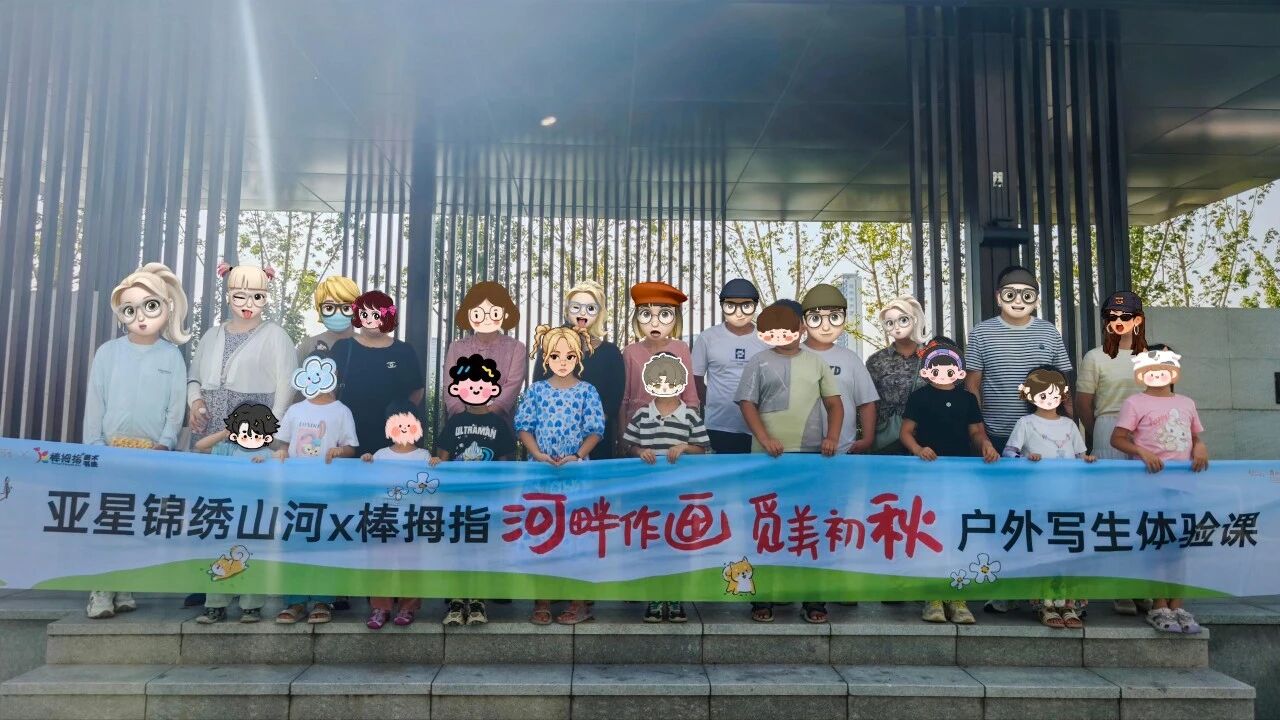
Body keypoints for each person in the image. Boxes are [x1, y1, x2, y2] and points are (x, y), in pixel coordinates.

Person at [83, 262, 191, 619]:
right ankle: (100, 592)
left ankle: (125, 585)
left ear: (166, 308)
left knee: (136, 519)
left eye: (150, 306)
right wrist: (95, 446)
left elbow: (175, 408)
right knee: (106, 519)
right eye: (130, 309)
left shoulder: (171, 356)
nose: (141, 317)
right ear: (121, 314)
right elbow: (95, 403)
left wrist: (165, 443)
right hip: (111, 450)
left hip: (150, 453)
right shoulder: (108, 353)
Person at [735, 302, 843, 624]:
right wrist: (765, 438)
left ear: (801, 328)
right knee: (766, 526)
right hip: (765, 459)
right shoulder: (758, 361)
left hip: (810, 458)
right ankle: (763, 597)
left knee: (808, 527)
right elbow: (747, 404)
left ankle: (814, 599)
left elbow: (835, 405)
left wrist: (832, 438)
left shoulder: (817, 362)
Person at [900, 336, 998, 625]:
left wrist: (986, 445)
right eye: (937, 367)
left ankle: (958, 597)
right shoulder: (919, 397)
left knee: (957, 533)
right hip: (927, 476)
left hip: (961, 477)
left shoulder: (967, 399)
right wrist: (918, 449)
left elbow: (976, 432)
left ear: (960, 370)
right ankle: (932, 597)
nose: (943, 372)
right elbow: (906, 432)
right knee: (930, 532)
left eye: (950, 367)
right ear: (926, 370)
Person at [1111, 346, 1208, 634]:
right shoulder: (1134, 402)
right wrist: (1141, 452)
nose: (1157, 374)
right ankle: (1158, 604)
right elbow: (1118, 438)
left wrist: (1200, 447)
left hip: (1184, 485)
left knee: (1179, 545)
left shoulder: (1187, 403)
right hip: (1150, 484)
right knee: (1155, 542)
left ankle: (1177, 605)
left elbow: (1195, 437)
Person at [515, 325, 606, 626]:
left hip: (575, 475)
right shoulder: (536, 391)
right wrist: (537, 453)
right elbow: (523, 426)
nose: (563, 361)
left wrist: (577, 455)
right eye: (555, 355)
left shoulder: (587, 391)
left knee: (576, 536)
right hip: (541, 475)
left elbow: (596, 430)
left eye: (569, 355)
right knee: (540, 533)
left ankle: (579, 602)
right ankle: (542, 600)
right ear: (546, 357)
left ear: (578, 357)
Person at [1003, 368, 1095, 629]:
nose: (1049, 399)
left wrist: (1087, 460)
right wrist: (1025, 458)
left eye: (1054, 394)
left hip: (1068, 498)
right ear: (1029, 395)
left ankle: (1069, 604)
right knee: (1043, 548)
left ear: (1063, 395)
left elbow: (1079, 455)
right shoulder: (1026, 423)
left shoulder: (1069, 425)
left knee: (1067, 548)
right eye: (1042, 394)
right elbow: (1008, 453)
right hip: (1038, 498)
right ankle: (1045, 604)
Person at [622, 353, 709, 623]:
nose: (664, 385)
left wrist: (685, 447)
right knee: (652, 544)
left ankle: (676, 598)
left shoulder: (690, 416)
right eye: (657, 380)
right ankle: (654, 598)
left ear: (681, 382)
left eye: (670, 380)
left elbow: (702, 449)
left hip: (680, 496)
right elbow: (629, 445)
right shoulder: (641, 415)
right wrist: (640, 451)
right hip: (650, 495)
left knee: (679, 544)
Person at [274, 352, 359, 625]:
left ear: (333, 377)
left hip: (328, 491)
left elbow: (351, 447)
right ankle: (295, 601)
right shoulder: (295, 410)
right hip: (296, 490)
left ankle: (323, 599)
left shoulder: (341, 411)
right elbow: (282, 443)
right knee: (294, 541)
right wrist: (281, 452)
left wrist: (340, 451)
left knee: (325, 541)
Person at [432, 354, 518, 626]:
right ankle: (457, 601)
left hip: (487, 501)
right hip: (457, 500)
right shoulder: (455, 421)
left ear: (492, 388)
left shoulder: (498, 423)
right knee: (457, 549)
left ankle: (479, 601)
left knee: (484, 550)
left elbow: (506, 462)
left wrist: (502, 495)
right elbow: (443, 457)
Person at [963, 266, 1073, 454]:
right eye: (1010, 294)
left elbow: (1064, 385)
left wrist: (1068, 427)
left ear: (1036, 300)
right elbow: (972, 387)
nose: (1018, 300)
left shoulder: (1049, 332)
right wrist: (980, 435)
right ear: (999, 297)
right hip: (996, 434)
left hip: (1044, 433)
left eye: (1027, 295)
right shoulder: (981, 333)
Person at [188, 262, 298, 438]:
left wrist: (271, 428)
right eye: (240, 296)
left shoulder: (277, 336)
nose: (248, 303)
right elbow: (194, 378)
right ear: (228, 297)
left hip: (251, 436)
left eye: (257, 296)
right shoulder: (211, 335)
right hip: (206, 432)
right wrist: (195, 401)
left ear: (265, 299)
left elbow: (287, 385)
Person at [191, 403, 278, 623]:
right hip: (227, 515)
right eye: (243, 429)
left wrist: (271, 460)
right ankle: (215, 606)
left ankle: (251, 607)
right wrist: (224, 433)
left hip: (257, 518)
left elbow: (285, 462)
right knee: (221, 557)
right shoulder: (227, 450)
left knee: (254, 559)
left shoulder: (270, 454)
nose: (249, 435)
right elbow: (200, 446)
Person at [532, 280, 625, 458]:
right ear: (567, 310)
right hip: (552, 443)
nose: (583, 313)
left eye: (590, 308)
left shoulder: (611, 353)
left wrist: (584, 437)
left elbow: (613, 403)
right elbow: (538, 390)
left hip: (596, 444)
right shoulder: (549, 348)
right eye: (576, 307)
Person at [359, 401, 431, 629]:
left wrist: (437, 464)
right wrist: (366, 462)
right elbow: (367, 482)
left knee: (410, 566)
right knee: (380, 564)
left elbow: (431, 484)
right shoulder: (380, 455)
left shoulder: (424, 456)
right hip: (384, 518)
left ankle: (408, 607)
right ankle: (380, 607)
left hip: (411, 520)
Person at [331, 290, 424, 457]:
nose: (370, 319)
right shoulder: (342, 348)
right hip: (347, 437)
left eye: (376, 314)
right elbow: (330, 388)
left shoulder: (404, 351)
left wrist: (399, 418)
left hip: (392, 439)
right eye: (365, 313)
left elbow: (417, 390)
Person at [800, 284, 879, 455]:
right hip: (798, 449)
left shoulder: (850, 359)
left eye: (834, 317)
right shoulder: (792, 355)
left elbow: (866, 402)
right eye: (816, 318)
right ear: (804, 321)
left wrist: (867, 439)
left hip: (842, 449)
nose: (825, 327)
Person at [692, 278, 768, 454]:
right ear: (722, 306)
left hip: (758, 426)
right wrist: (711, 402)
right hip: (718, 424)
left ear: (755, 306)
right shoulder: (708, 338)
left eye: (746, 306)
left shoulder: (766, 339)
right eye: (731, 305)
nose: (738, 312)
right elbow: (695, 378)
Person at [442, 281, 527, 425]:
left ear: (504, 312)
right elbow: (449, 384)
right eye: (478, 312)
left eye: (494, 312)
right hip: (461, 423)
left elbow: (513, 385)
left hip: (499, 424)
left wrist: (489, 413)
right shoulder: (456, 347)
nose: (487, 318)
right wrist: (462, 414)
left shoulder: (516, 348)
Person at [1078, 291, 1147, 459]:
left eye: (1125, 316)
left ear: (1137, 320)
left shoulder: (1151, 357)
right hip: (1107, 427)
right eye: (1112, 316)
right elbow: (1082, 404)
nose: (1118, 321)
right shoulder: (1094, 357)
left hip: (1146, 428)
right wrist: (1100, 431)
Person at [620, 282, 700, 423]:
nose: (655, 323)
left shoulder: (681, 348)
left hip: (674, 425)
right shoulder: (630, 352)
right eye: (646, 314)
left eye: (664, 314)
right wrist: (623, 433)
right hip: (638, 427)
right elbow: (623, 398)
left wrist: (690, 429)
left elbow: (690, 397)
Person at [865, 296, 928, 453]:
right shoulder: (876, 361)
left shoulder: (932, 357)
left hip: (927, 438)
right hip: (888, 440)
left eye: (903, 320)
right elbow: (868, 403)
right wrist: (867, 438)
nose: (897, 327)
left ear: (915, 320)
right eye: (890, 323)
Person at [297, 275, 361, 360]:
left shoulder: (368, 346)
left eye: (345, 307)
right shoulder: (307, 346)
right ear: (320, 310)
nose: (338, 312)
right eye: (329, 308)